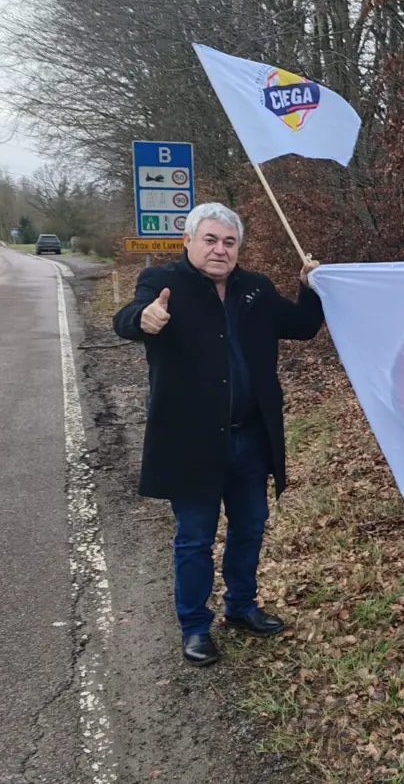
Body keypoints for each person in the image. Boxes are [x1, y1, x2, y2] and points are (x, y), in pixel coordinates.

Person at [112, 202, 324, 666]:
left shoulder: (255, 289)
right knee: (195, 538)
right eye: (209, 239)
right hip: (191, 442)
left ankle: (242, 607)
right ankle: (194, 625)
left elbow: (305, 327)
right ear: (188, 241)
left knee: (249, 527)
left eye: (229, 242)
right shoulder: (163, 285)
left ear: (238, 248)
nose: (219, 249)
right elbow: (127, 318)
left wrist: (310, 288)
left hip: (251, 439)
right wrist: (143, 319)